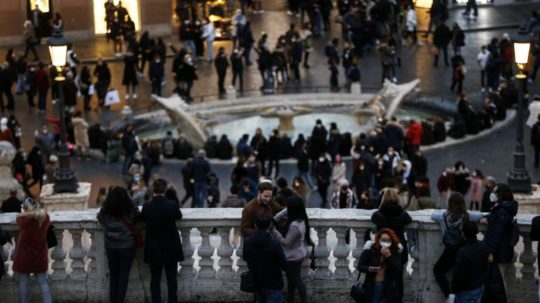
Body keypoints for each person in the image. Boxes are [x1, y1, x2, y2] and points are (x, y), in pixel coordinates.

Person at [431, 192, 482, 302]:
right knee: (462, 273)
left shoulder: (443, 216)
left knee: (437, 270)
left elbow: (432, 215)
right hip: (463, 249)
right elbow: (480, 215)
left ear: (449, 204)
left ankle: (448, 295)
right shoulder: (468, 216)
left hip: (449, 250)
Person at [141, 179, 184, 303]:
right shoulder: (172, 204)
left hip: (154, 246)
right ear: (165, 190)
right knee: (171, 277)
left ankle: (156, 301)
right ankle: (172, 300)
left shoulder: (147, 206)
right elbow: (179, 216)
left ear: (153, 190)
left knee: (155, 278)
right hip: (171, 246)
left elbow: (142, 218)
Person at [97, 186, 140, 303]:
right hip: (127, 247)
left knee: (114, 276)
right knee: (123, 276)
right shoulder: (129, 211)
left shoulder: (107, 212)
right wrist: (130, 199)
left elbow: (100, 217)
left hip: (111, 247)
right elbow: (137, 213)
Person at [371, 187, 412, 300]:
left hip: (383, 249)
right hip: (399, 249)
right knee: (398, 279)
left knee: (382, 277)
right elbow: (410, 220)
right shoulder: (402, 214)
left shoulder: (378, 215)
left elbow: (373, 218)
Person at [480, 183, 518, 302]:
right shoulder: (502, 208)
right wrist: (487, 216)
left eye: (495, 192)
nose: (492, 194)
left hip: (499, 253)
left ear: (502, 194)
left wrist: (491, 252)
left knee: (499, 285)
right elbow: (494, 216)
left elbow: (497, 234)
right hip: (500, 252)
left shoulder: (502, 211)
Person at [272, 195, 313, 303]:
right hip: (298, 253)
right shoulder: (302, 219)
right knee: (291, 282)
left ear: (292, 209)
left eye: (288, 207)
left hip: (293, 257)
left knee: (297, 282)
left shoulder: (294, 226)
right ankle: (290, 300)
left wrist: (273, 230)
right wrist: (288, 209)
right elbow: (276, 218)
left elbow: (286, 243)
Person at [13, 198, 52, 303]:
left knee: (24, 283)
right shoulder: (45, 218)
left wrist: (23, 212)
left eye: (22, 207)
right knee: (43, 283)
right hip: (40, 256)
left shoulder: (23, 221)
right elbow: (42, 216)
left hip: (25, 256)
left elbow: (19, 218)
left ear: (26, 209)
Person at [243, 216, 287, 303]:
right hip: (273, 282)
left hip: (256, 281)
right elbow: (283, 264)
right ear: (269, 226)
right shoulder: (275, 244)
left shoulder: (248, 242)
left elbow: (245, 257)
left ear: (255, 225)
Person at [356, 228, 403, 303]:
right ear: (378, 240)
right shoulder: (370, 250)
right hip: (373, 285)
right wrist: (369, 268)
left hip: (389, 287)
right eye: (383, 240)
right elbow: (360, 266)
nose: (385, 243)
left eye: (388, 240)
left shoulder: (395, 252)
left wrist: (389, 256)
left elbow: (398, 269)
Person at [452, 221, 490, 303]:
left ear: (464, 233)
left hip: (466, 291)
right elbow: (486, 267)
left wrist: (453, 290)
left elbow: (458, 275)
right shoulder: (484, 246)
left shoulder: (462, 252)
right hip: (479, 287)